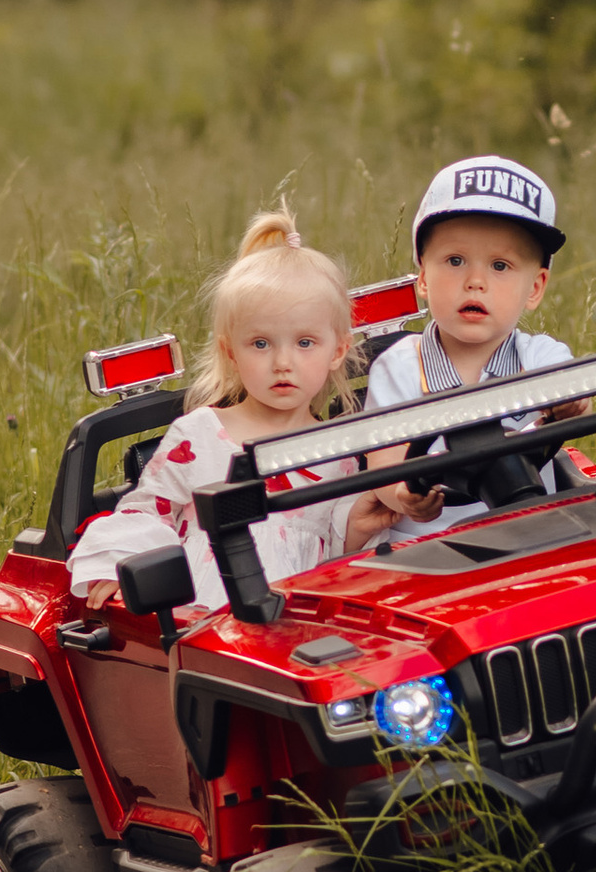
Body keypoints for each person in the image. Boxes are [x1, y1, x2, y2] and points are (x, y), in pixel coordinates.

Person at [66, 207, 387, 611]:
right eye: (261, 344)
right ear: (229, 351)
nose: (282, 362)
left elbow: (332, 543)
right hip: (208, 617)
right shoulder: (200, 435)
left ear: (338, 350)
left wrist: (359, 524)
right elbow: (147, 512)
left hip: (304, 619)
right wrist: (121, 565)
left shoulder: (337, 450)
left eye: (305, 343)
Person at [362, 155, 575, 536]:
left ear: (536, 288)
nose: (476, 281)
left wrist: (569, 401)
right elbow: (386, 462)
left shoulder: (542, 357)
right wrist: (403, 495)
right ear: (424, 278)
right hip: (426, 552)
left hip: (534, 533)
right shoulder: (398, 368)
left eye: (500, 266)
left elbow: (573, 394)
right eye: (456, 260)